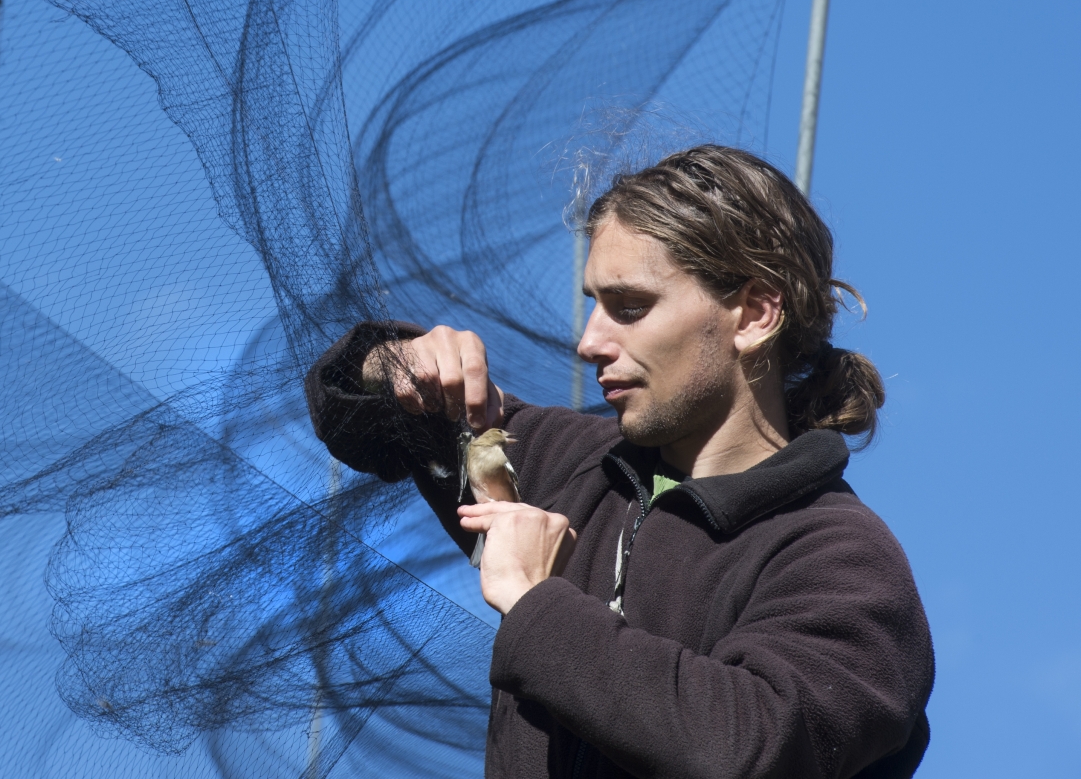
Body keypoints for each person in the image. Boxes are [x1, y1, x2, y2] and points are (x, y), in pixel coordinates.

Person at [304, 145, 933, 778]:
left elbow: (750, 749)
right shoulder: (569, 463)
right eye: (593, 303)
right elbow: (358, 420)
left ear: (755, 313)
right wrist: (394, 364)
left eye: (630, 307)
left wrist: (537, 605)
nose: (589, 342)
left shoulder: (840, 558)